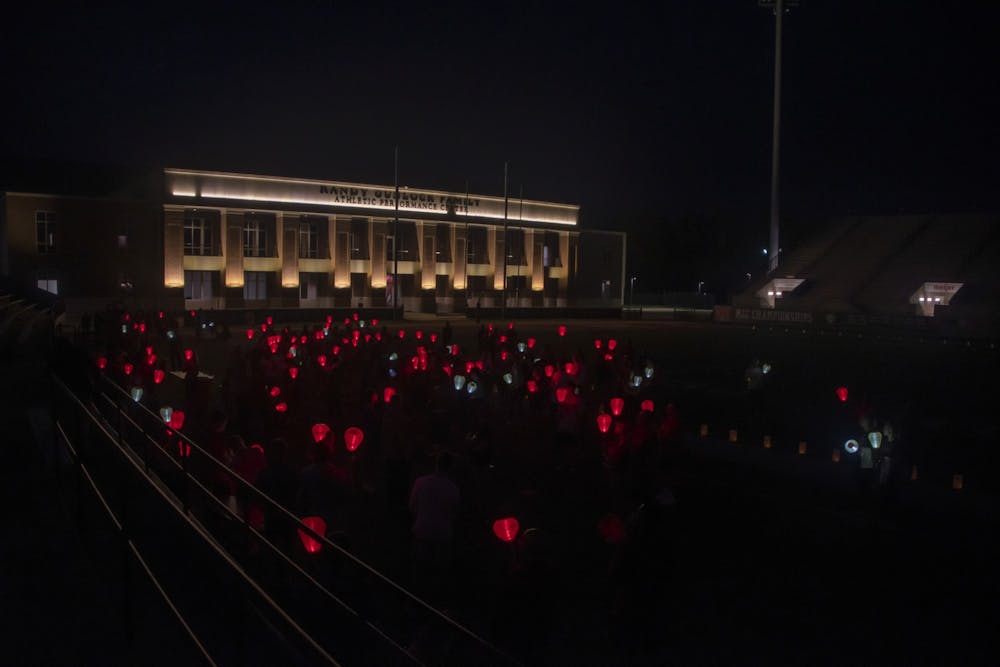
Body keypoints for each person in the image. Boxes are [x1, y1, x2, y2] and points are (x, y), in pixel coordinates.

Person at [409, 451, 461, 599]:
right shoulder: (453, 489)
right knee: (438, 576)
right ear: (451, 467)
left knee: (419, 573)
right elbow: (454, 514)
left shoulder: (421, 482)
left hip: (422, 531)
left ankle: (416, 602)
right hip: (442, 536)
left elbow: (412, 506)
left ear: (436, 464)